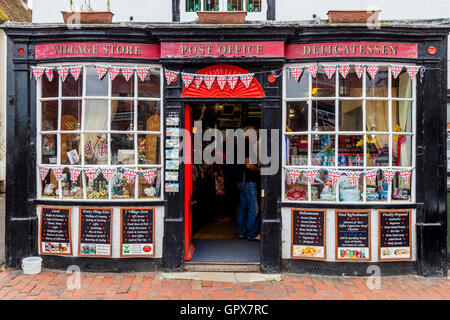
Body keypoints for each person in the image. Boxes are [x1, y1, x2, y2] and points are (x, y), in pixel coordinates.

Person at [235, 127, 261, 241]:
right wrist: (260, 170)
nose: (256, 137)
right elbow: (249, 165)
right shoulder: (247, 145)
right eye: (255, 134)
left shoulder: (238, 146)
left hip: (240, 181)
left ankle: (241, 233)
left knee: (242, 208)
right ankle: (252, 234)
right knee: (253, 209)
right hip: (248, 182)